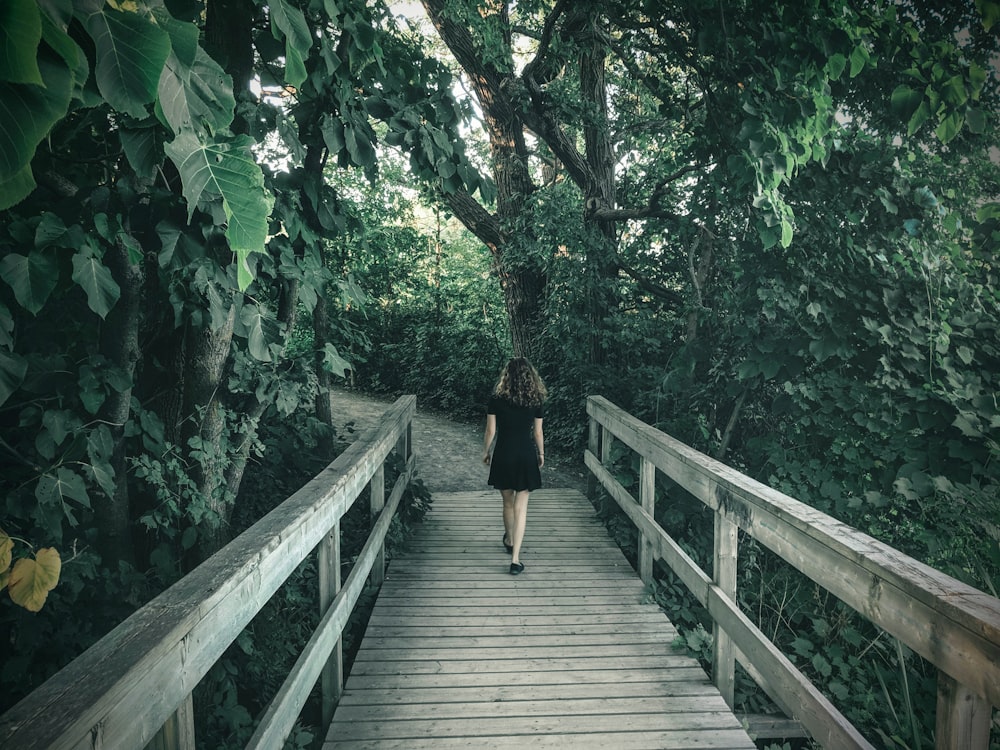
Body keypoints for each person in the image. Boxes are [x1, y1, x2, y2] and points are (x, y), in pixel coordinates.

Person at [482, 357, 546, 575]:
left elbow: (491, 431)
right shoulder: (535, 399)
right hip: (526, 455)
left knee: (507, 503)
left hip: (504, 454)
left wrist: (486, 451)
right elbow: (537, 432)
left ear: (506, 376)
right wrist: (541, 453)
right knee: (521, 508)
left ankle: (509, 539)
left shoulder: (496, 399)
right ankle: (516, 559)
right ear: (530, 376)